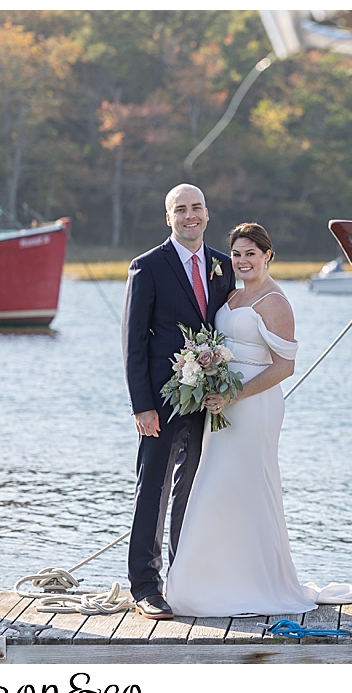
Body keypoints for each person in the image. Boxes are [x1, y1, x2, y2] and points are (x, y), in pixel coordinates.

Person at [165, 223, 352, 616]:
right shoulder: (234, 296)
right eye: (237, 254)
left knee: (246, 489)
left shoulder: (275, 301)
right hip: (221, 407)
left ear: (267, 255)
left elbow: (285, 367)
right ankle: (206, 581)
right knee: (214, 489)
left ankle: (256, 583)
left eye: (250, 254)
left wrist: (233, 395)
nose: (242, 261)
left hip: (254, 408)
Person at [121, 184, 236, 619]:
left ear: (207, 214)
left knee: (196, 488)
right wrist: (141, 405)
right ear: (168, 218)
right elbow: (132, 341)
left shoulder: (224, 267)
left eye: (197, 208)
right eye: (180, 210)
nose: (190, 216)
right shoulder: (147, 267)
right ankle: (145, 587)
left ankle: (184, 577)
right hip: (161, 399)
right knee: (154, 487)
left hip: (210, 400)